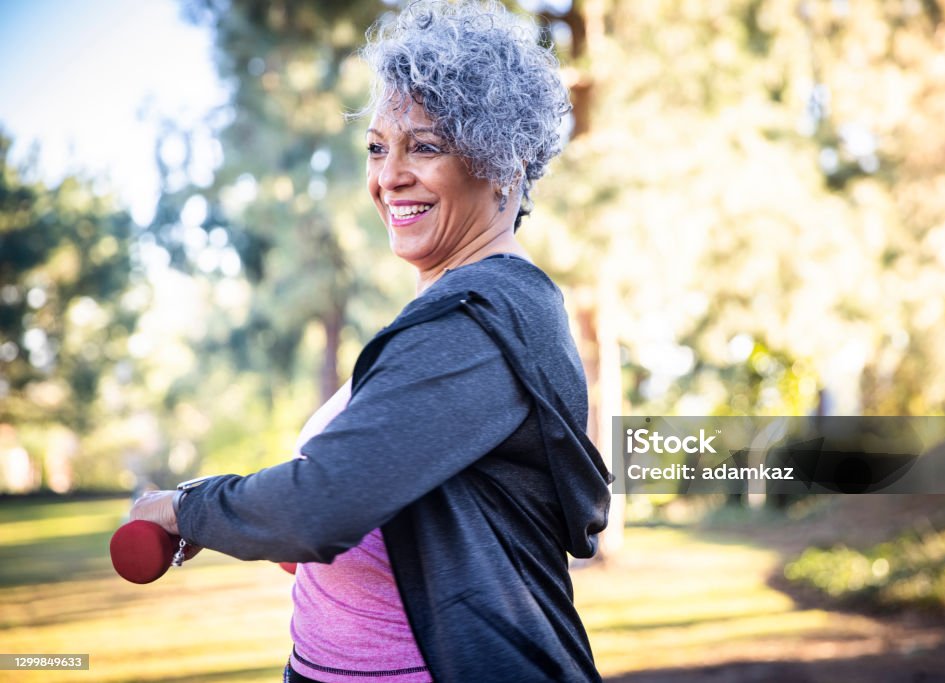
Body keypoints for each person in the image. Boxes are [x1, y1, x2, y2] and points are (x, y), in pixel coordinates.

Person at [129, 1, 612, 681]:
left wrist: (184, 508)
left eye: (425, 145)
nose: (389, 176)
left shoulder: (476, 325)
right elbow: (356, 497)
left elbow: (317, 507)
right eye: (378, 147)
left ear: (503, 161)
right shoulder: (454, 311)